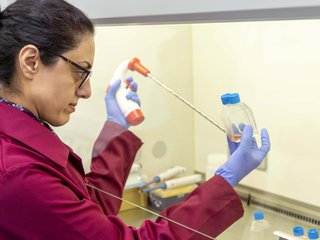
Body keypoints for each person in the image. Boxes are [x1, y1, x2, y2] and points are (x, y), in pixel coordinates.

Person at [0, 0, 271, 239]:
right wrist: (224, 180)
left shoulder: (21, 136)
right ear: (31, 61)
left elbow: (90, 207)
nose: (86, 91)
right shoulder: (18, 172)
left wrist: (117, 129)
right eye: (80, 72)